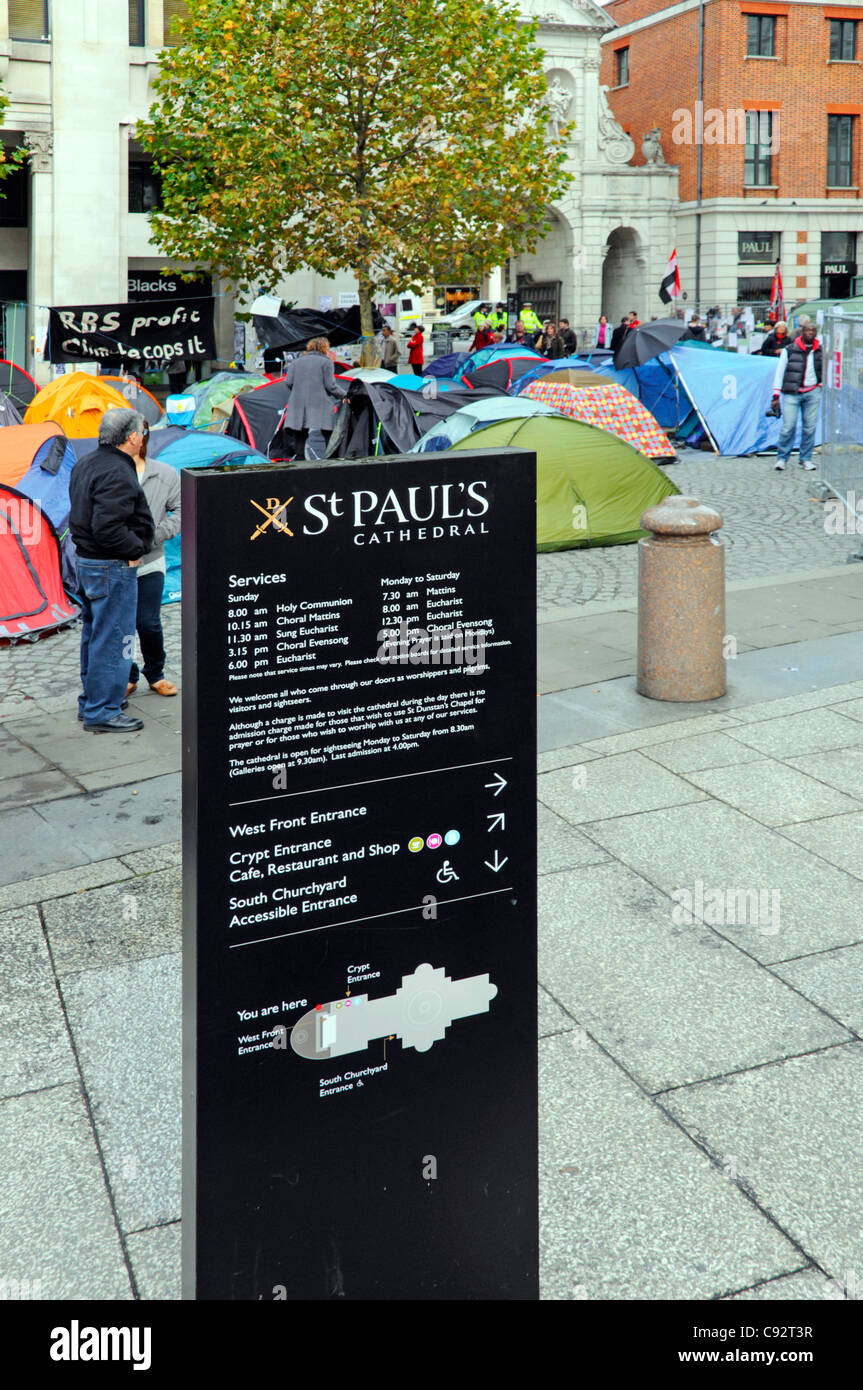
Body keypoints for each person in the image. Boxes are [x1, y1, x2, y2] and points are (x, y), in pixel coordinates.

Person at [69, 408, 154, 733]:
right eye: (142, 433)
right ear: (133, 437)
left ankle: (93, 702)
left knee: (95, 634)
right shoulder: (117, 470)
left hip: (90, 562)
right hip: (111, 564)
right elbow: (107, 526)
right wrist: (133, 550)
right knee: (114, 637)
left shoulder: (88, 461)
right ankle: (102, 710)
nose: (143, 438)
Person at [126, 422, 181, 700]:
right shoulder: (113, 472)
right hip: (117, 563)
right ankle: (127, 674)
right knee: (121, 623)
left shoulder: (165, 474)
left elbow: (181, 511)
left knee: (148, 622)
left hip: (150, 560)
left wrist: (156, 536)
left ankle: (156, 673)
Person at [771, 319, 822, 472]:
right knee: (788, 427)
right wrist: (776, 394)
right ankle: (782, 458)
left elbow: (825, 367)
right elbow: (780, 372)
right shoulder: (789, 350)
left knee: (809, 428)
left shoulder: (819, 350)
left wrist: (821, 383)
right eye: (808, 330)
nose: (810, 333)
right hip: (792, 392)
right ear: (801, 332)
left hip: (812, 391)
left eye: (813, 331)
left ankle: (805, 459)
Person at [282, 336, 343, 458]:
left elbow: (288, 382)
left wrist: (298, 391)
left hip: (298, 403)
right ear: (325, 348)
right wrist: (345, 395)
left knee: (300, 431)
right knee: (327, 431)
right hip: (320, 403)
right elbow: (330, 385)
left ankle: (300, 459)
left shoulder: (296, 362)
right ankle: (331, 458)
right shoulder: (326, 362)